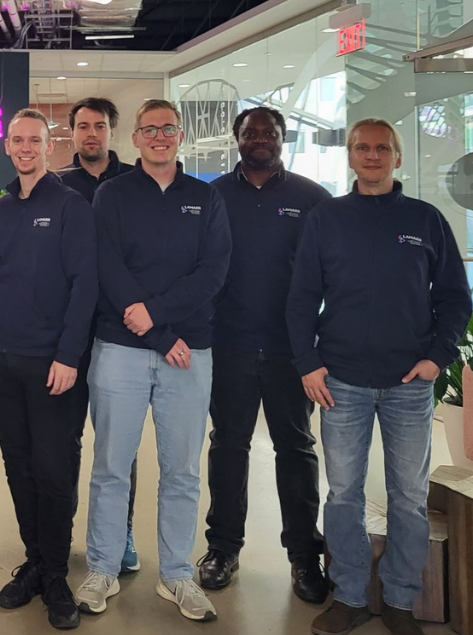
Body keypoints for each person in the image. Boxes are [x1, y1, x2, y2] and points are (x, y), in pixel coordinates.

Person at [288, 119, 472, 635]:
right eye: (363, 148)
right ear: (350, 158)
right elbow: (301, 297)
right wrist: (308, 361)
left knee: (409, 497)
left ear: (396, 157)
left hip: (409, 384)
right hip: (340, 379)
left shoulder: (426, 219)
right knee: (343, 493)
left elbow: (455, 298)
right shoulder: (327, 218)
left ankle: (400, 599)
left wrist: (437, 358)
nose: (372, 156)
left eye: (382, 148)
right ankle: (348, 595)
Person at [77, 99, 231, 622]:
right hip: (120, 348)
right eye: (150, 130)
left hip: (188, 352)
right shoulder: (111, 195)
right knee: (111, 467)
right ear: (136, 138)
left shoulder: (205, 198)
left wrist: (160, 323)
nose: (160, 137)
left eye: (168, 129)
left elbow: (214, 272)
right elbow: (107, 265)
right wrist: (155, 331)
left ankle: (177, 575)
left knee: (183, 471)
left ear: (180, 135)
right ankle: (102, 567)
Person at [0, 108, 97, 630]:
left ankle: (57, 573)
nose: (25, 148)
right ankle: (35, 562)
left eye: (34, 141)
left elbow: (85, 284)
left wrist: (69, 355)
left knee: (54, 469)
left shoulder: (70, 206)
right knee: (18, 465)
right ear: (6, 146)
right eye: (17, 140)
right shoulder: (1, 209)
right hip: (2, 359)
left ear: (49, 146)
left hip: (52, 365)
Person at [199, 107, 330, 602]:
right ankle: (223, 549)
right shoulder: (212, 196)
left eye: (269, 133)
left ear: (282, 139)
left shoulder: (312, 199)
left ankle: (304, 557)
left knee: (295, 450)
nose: (260, 140)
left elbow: (329, 275)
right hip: (227, 345)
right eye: (250, 132)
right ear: (236, 139)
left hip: (290, 350)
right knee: (228, 446)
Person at [57, 97, 139, 575]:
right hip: (69, 335)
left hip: (118, 333)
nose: (92, 134)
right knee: (64, 440)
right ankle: (62, 530)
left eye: (100, 126)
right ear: (72, 134)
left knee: (117, 445)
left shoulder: (133, 185)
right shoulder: (55, 186)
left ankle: (119, 531)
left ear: (113, 132)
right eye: (83, 126)